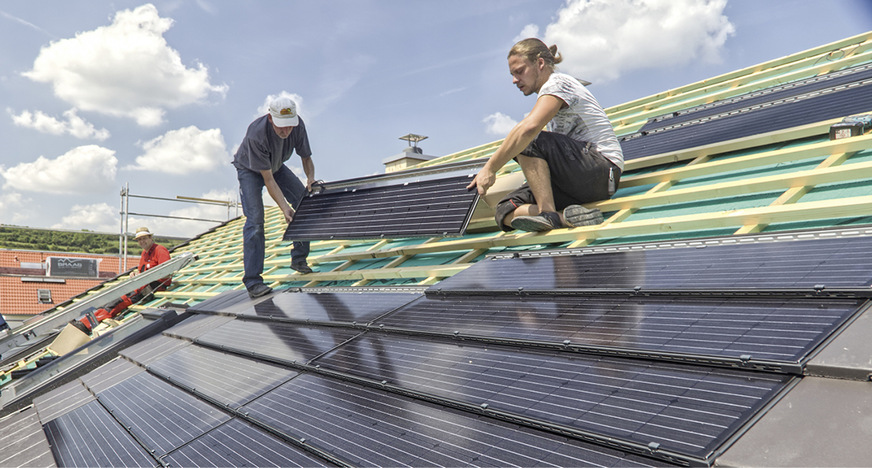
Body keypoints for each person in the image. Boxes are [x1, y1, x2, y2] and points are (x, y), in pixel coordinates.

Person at [467, 38, 624, 232]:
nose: (514, 80)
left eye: (519, 71)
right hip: (576, 180)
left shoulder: (559, 83)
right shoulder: (549, 92)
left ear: (540, 63)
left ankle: (547, 214)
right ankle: (562, 218)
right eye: (512, 74)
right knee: (505, 209)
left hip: (602, 171)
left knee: (528, 137)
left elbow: (529, 129)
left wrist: (490, 169)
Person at [233, 95, 317, 298]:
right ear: (271, 118)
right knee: (255, 221)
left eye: (289, 127)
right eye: (282, 127)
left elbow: (306, 157)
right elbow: (268, 180)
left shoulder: (297, 126)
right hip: (250, 170)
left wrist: (310, 179)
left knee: (304, 202)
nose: (286, 131)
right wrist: (285, 208)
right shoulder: (257, 134)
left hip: (276, 166)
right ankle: (253, 281)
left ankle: (299, 259)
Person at [70, 226, 172, 334]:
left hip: (152, 287)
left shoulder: (159, 250)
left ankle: (85, 325)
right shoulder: (145, 253)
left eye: (144, 238)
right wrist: (135, 274)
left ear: (151, 238)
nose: (142, 241)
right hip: (141, 284)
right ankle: (83, 321)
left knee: (116, 303)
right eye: (139, 239)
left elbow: (167, 272)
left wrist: (145, 277)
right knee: (111, 299)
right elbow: (142, 270)